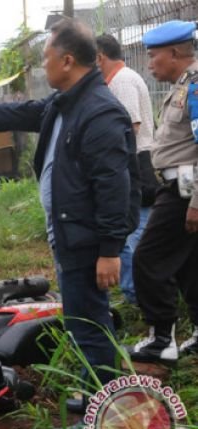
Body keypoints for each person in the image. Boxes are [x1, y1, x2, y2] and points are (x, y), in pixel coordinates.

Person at [0, 18, 137, 429]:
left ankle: (104, 418)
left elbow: (115, 184)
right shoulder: (66, 102)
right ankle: (98, 391)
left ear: (68, 61)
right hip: (69, 232)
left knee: (88, 322)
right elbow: (17, 112)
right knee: (83, 319)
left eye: (46, 58)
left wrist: (110, 249)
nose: (43, 66)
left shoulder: (98, 111)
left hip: (87, 239)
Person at [128, 20, 198, 363]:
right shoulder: (184, 85)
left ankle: (161, 339)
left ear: (174, 53)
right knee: (191, 264)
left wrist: (197, 203)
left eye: (153, 56)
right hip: (178, 187)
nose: (149, 63)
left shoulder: (196, 86)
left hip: (187, 192)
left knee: (148, 259)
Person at [96, 34, 159, 305]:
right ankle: (136, 292)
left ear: (100, 57)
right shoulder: (121, 79)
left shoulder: (122, 81)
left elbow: (131, 126)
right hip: (133, 161)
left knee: (137, 235)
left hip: (137, 162)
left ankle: (144, 295)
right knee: (131, 232)